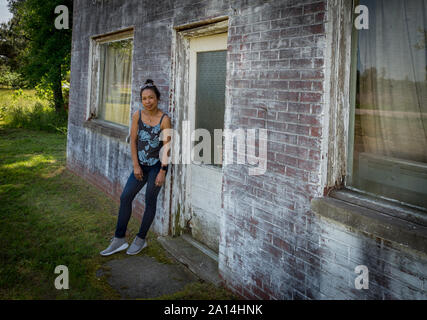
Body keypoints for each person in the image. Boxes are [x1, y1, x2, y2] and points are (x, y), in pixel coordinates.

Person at [100, 79, 171, 256]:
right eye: (144, 98)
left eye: (151, 98)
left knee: (149, 201)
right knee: (125, 197)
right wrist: (136, 166)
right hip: (140, 166)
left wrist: (162, 171)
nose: (148, 101)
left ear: (157, 99)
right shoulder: (137, 115)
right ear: (141, 100)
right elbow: (133, 140)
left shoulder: (164, 119)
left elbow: (168, 148)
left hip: (157, 166)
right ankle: (119, 240)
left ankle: (141, 239)